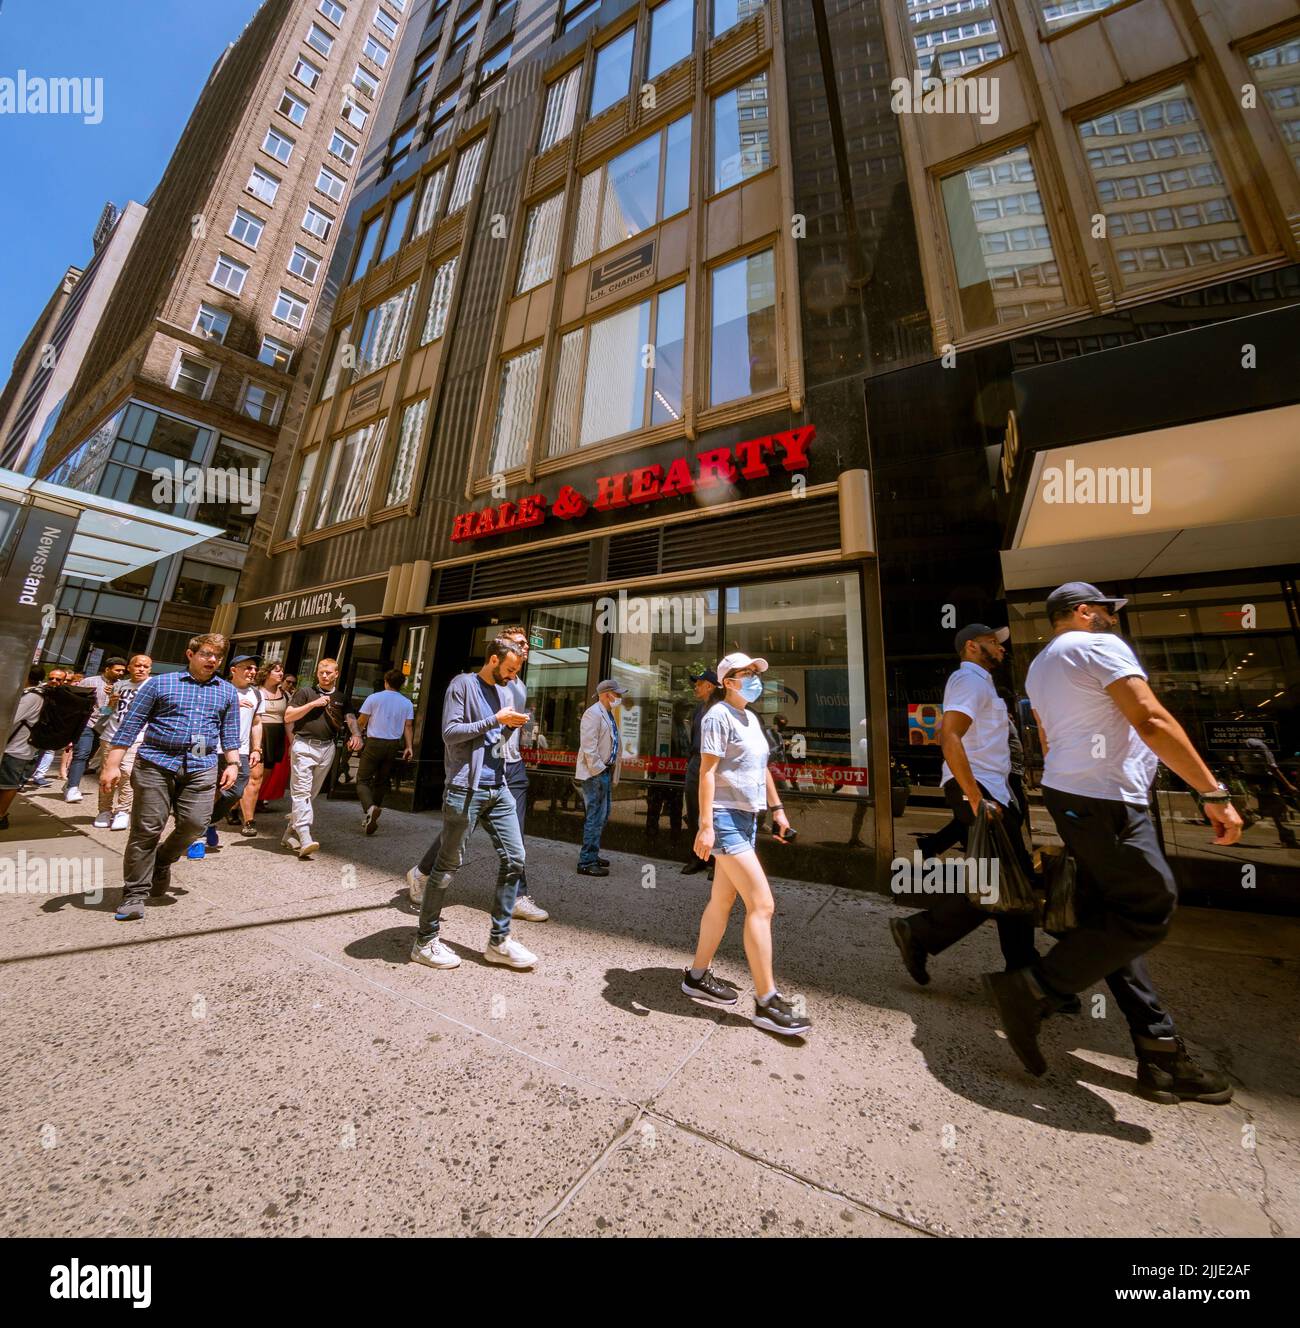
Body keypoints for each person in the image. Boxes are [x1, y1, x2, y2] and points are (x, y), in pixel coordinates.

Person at [987, 582, 1243, 1102]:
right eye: (1107, 611)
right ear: (1083, 612)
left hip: (1073, 791)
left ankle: (1159, 1050)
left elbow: (1046, 735)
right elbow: (1149, 718)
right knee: (1151, 907)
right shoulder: (1097, 646)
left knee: (1115, 916)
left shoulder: (1039, 666)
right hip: (1107, 797)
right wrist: (1212, 792)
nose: (1112, 619)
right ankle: (1033, 988)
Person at [890, 623, 1038, 986]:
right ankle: (920, 932)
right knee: (1003, 882)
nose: (1001, 648)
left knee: (1008, 883)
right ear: (972, 647)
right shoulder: (968, 681)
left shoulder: (981, 682)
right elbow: (948, 735)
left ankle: (1024, 972)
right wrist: (976, 798)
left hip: (993, 790)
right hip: (981, 791)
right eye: (993, 643)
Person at [682, 653, 811, 1036]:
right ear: (729, 681)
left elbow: (762, 768)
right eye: (748, 673)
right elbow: (706, 772)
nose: (756, 678)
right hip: (723, 818)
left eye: (757, 673)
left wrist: (778, 810)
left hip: (747, 817)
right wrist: (705, 826)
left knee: (722, 901)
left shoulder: (752, 719)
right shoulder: (717, 716)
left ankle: (696, 976)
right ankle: (766, 1001)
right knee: (762, 904)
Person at [404, 637, 535, 971]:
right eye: (508, 669)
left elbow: (495, 740)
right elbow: (450, 733)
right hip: (466, 788)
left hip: (499, 786)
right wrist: (495, 720)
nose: (511, 676)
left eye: (516, 671)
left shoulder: (506, 692)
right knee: (446, 867)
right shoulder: (462, 684)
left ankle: (499, 941)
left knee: (515, 859)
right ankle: (425, 940)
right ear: (493, 660)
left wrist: (512, 727)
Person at [99, 633, 241, 921]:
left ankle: (162, 861)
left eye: (217, 656)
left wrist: (233, 763)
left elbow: (229, 731)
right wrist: (111, 764)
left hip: (201, 764)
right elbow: (131, 724)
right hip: (156, 763)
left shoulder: (226, 691)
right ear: (190, 655)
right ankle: (134, 894)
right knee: (147, 828)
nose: (212, 660)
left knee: (194, 824)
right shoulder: (160, 684)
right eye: (206, 654)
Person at [283, 658, 361, 859]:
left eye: (328, 672)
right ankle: (305, 836)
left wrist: (356, 735)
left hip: (327, 748)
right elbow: (288, 716)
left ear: (336, 674)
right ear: (317, 673)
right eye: (321, 672)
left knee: (310, 795)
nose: (324, 676)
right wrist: (313, 704)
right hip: (304, 746)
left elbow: (350, 718)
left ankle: (288, 834)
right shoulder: (305, 693)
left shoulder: (341, 697)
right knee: (301, 792)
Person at [194, 654, 263, 856]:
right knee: (204, 791)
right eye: (247, 667)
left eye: (254, 668)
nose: (252, 671)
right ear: (233, 670)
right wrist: (232, 705)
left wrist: (256, 749)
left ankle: (210, 821)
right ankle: (197, 838)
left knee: (236, 791)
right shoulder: (217, 688)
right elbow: (199, 715)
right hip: (209, 747)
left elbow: (257, 723)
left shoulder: (256, 694)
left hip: (238, 750)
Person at [93, 654, 152, 831]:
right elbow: (105, 712)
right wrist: (110, 704)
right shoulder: (119, 685)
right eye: (138, 665)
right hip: (111, 735)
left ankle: (123, 811)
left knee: (127, 773)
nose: (141, 669)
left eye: (146, 666)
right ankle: (104, 810)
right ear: (130, 668)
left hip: (137, 737)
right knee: (107, 774)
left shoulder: (152, 686)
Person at [356, 668, 414, 835]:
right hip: (393, 744)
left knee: (362, 780)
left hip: (374, 742)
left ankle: (370, 808)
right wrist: (409, 747)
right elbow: (408, 726)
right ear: (402, 684)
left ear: (386, 681)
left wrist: (355, 736)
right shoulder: (407, 703)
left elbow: (361, 721)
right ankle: (371, 816)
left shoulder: (374, 698)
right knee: (381, 782)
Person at [575, 679, 624, 876]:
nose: (619, 698)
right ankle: (586, 862)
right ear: (606, 694)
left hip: (604, 771)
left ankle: (592, 855)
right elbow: (589, 747)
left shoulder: (608, 714)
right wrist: (599, 770)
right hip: (595, 773)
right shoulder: (592, 714)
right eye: (617, 694)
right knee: (595, 817)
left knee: (602, 816)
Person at [63, 656, 126, 802]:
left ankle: (70, 783)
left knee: (89, 758)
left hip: (104, 727)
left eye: (123, 671)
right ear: (107, 669)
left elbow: (111, 711)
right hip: (88, 724)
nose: (120, 673)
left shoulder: (123, 686)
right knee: (82, 753)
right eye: (117, 670)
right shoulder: (89, 682)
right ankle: (73, 788)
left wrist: (114, 697)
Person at [0, 667, 51, 830]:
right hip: (15, 747)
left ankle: (1, 816)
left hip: (18, 749)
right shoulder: (31, 694)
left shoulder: (32, 697)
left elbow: (9, 719)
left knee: (8, 784)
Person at [241, 660, 289, 829]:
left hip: (276, 736)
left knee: (263, 778)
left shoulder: (286, 695)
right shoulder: (255, 692)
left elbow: (288, 720)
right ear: (267, 673)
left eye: (282, 670)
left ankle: (237, 806)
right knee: (254, 777)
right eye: (277, 670)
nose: (281, 673)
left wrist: (291, 741)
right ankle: (248, 819)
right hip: (259, 735)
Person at [681, 670, 718, 876]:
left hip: (712, 764)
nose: (695, 687)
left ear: (710, 686)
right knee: (694, 812)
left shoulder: (720, 709)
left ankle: (717, 862)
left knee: (713, 813)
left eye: (699, 683)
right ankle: (698, 858)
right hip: (696, 763)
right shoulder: (698, 710)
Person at [1237, 736, 1298, 849]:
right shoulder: (1259, 745)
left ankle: (1287, 839)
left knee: (1274, 811)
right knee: (1275, 810)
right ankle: (1232, 830)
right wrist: (1288, 785)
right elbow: (1271, 767)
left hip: (1254, 781)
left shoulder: (1243, 746)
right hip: (1264, 781)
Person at [27, 666, 69, 787]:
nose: (54, 681)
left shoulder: (66, 694)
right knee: (32, 753)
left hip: (52, 728)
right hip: (34, 727)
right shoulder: (39, 690)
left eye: (58, 679)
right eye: (51, 678)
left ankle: (39, 775)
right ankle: (22, 779)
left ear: (63, 680)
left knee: (48, 751)